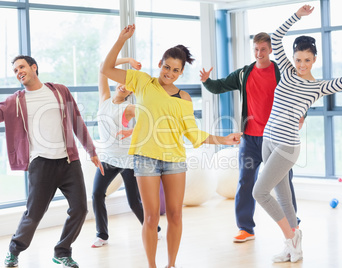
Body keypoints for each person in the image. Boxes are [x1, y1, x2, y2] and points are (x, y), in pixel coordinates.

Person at [102, 24, 243, 268]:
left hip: (175, 160)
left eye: (176, 70)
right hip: (145, 158)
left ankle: (171, 265)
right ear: (160, 63)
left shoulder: (184, 98)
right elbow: (106, 69)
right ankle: (152, 266)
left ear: (180, 72)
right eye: (167, 67)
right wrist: (120, 39)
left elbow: (192, 133)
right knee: (150, 216)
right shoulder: (143, 82)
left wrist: (223, 139)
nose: (170, 73)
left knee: (176, 214)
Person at [252, 5, 342, 263]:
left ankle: (292, 237)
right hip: (268, 139)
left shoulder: (317, 87)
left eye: (307, 60)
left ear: (314, 59)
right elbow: (276, 35)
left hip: (287, 146)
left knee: (259, 192)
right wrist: (297, 16)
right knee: (284, 198)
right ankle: (293, 248)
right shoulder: (285, 68)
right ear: (293, 58)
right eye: (298, 59)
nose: (301, 64)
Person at [0, 55, 103, 268]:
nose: (18, 71)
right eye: (14, 70)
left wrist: (91, 150)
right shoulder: (15, 101)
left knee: (80, 209)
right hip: (41, 164)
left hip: (69, 161)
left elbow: (76, 120)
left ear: (34, 67)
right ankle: (14, 251)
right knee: (34, 214)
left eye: (21, 67)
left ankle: (62, 251)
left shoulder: (59, 91)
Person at [200, 32, 303, 243]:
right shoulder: (244, 74)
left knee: (284, 182)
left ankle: (293, 222)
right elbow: (219, 86)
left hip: (276, 139)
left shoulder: (281, 72)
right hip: (250, 139)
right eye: (256, 49)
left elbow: (298, 94)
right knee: (245, 181)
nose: (259, 53)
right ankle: (245, 228)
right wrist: (206, 81)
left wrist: (302, 115)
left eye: (263, 49)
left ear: (271, 49)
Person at [91, 57, 162, 248]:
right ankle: (102, 235)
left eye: (129, 85)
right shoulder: (104, 99)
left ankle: (154, 229)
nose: (124, 86)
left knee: (134, 202)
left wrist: (131, 131)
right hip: (108, 158)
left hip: (128, 159)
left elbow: (150, 119)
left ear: (132, 90)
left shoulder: (129, 108)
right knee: (97, 194)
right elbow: (102, 66)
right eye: (123, 82)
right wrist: (128, 60)